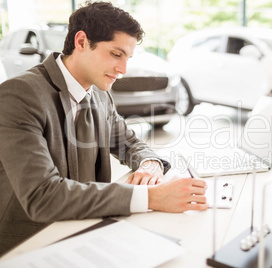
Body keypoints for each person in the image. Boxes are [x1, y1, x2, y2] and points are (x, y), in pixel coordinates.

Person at [0, 1, 207, 256]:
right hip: (31, 243)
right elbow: (43, 196)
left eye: (128, 58)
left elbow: (129, 143)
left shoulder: (98, 93)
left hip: (87, 228)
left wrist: (149, 163)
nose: (123, 70)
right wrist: (152, 197)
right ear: (81, 42)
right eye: (116, 54)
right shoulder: (20, 95)